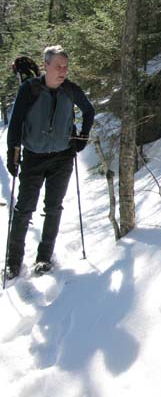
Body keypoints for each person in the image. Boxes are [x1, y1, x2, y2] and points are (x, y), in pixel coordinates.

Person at [5, 45, 95, 279]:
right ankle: (12, 263)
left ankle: (44, 259)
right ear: (46, 66)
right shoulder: (30, 89)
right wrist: (13, 155)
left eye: (65, 66)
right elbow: (15, 124)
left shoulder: (71, 90)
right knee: (24, 209)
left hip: (62, 158)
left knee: (53, 208)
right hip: (33, 157)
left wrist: (81, 138)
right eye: (58, 66)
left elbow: (89, 111)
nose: (63, 71)